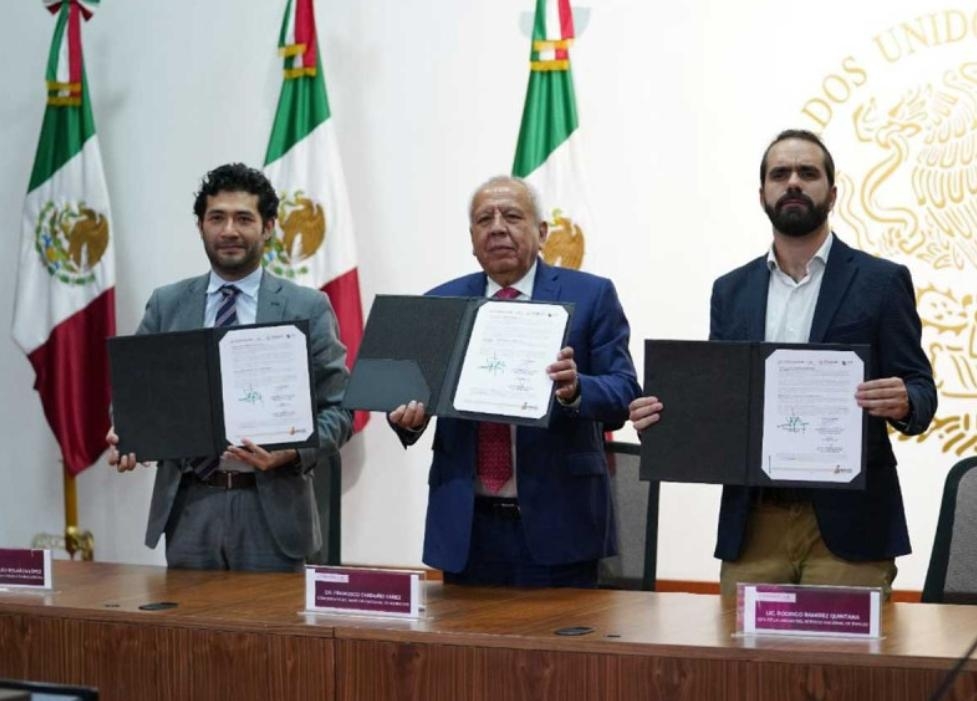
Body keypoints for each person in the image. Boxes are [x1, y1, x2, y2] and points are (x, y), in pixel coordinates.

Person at [629, 129, 937, 598]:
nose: (793, 182)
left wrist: (905, 400)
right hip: (754, 523)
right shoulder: (730, 291)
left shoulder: (881, 281)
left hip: (850, 526)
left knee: (842, 649)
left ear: (832, 194)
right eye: (780, 174)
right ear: (762, 195)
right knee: (744, 649)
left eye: (807, 173)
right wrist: (665, 420)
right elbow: (722, 402)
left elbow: (921, 389)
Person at [388, 175, 641, 587]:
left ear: (542, 232)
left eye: (511, 216)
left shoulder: (591, 295)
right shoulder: (440, 303)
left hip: (562, 525)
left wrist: (577, 390)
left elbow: (624, 390)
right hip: (467, 529)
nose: (497, 228)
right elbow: (412, 400)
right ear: (472, 239)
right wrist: (408, 418)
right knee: (465, 634)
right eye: (483, 219)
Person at [107, 163, 352, 572]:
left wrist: (292, 452)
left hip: (272, 511)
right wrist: (129, 432)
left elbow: (341, 408)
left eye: (244, 218)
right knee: (189, 618)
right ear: (200, 226)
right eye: (217, 218)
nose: (229, 230)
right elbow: (135, 394)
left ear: (268, 227)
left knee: (273, 618)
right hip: (189, 507)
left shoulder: (306, 307)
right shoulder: (167, 304)